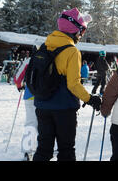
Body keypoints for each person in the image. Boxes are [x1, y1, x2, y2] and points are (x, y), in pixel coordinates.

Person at [32, 8, 102, 161]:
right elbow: (73, 84)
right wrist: (90, 99)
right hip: (63, 109)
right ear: (74, 29)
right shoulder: (71, 51)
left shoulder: (45, 45)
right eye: (81, 31)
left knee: (43, 149)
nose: (81, 35)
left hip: (42, 106)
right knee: (66, 150)